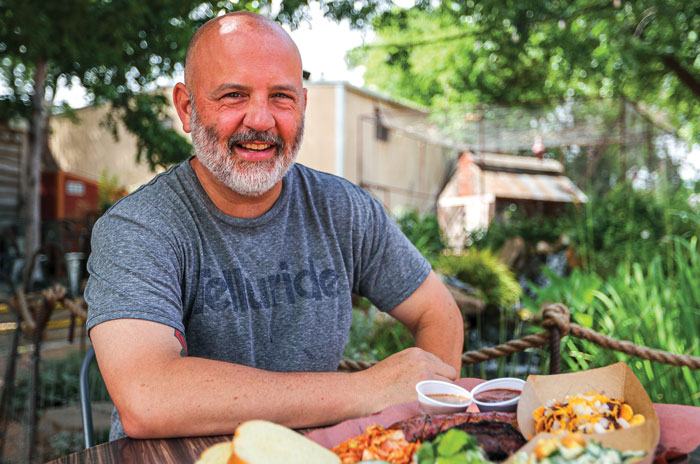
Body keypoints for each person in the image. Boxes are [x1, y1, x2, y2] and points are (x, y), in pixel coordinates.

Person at [85, 11, 464, 441]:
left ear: (303, 105)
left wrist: (419, 430)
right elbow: (147, 397)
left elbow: (439, 313)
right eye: (233, 95)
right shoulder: (140, 227)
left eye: (281, 97)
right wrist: (367, 389)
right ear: (187, 109)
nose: (261, 120)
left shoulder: (344, 211)